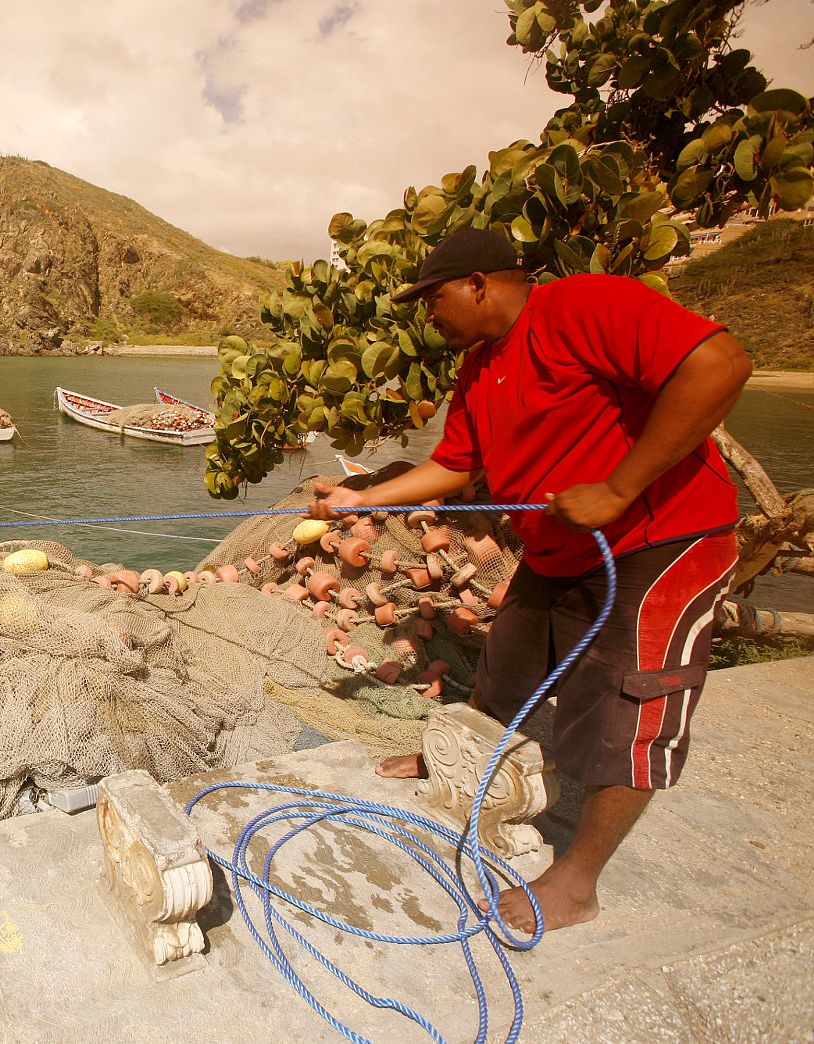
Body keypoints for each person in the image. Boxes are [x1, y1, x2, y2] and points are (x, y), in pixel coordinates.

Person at [310, 228, 752, 935]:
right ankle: (453, 762)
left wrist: (617, 487)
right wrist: (362, 499)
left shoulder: (586, 305)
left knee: (630, 709)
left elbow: (721, 364)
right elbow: (458, 463)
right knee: (504, 667)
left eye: (434, 300)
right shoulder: (481, 367)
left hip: (659, 542)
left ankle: (577, 882)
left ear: (479, 283)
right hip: (559, 551)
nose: (429, 317)